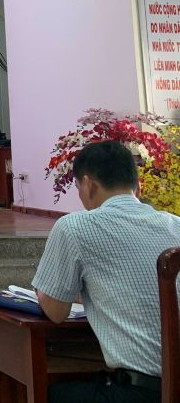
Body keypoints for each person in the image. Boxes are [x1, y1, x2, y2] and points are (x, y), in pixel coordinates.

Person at [32, 140, 180, 403]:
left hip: (140, 393)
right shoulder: (175, 225)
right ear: (138, 186)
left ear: (88, 184)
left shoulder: (74, 227)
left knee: (40, 392)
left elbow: (56, 311)